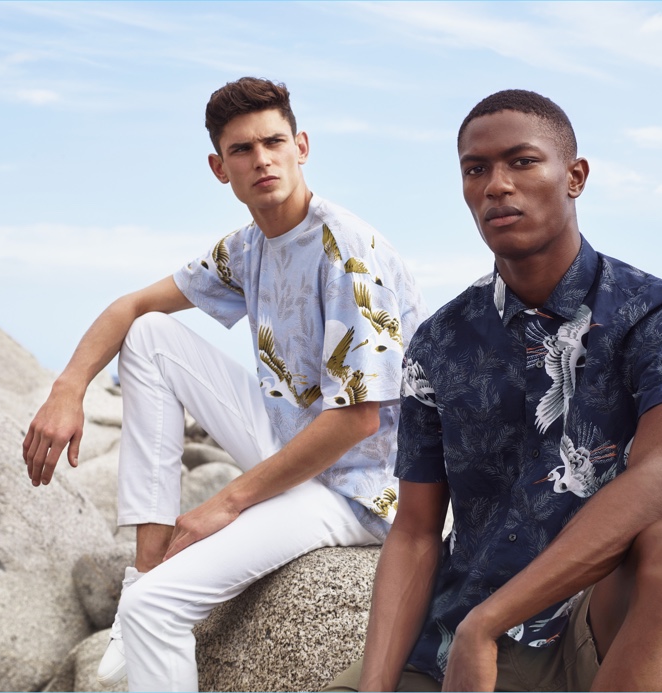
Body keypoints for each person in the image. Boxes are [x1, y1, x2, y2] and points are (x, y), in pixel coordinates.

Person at [22, 76, 427, 692]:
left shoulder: (346, 248)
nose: (262, 159)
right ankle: (145, 567)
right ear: (220, 167)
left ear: (302, 146)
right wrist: (68, 388)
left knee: (158, 610)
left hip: (361, 486)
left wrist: (225, 503)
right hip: (292, 442)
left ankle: (148, 601)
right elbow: (131, 306)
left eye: (274, 142)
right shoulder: (247, 248)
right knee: (152, 333)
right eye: (243, 150)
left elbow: (359, 419)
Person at [327, 89, 662, 692]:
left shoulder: (659, 314)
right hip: (453, 635)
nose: (496, 185)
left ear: (575, 177)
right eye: (476, 169)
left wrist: (490, 622)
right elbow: (414, 529)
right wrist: (376, 686)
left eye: (522, 162)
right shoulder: (440, 342)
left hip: (588, 627)